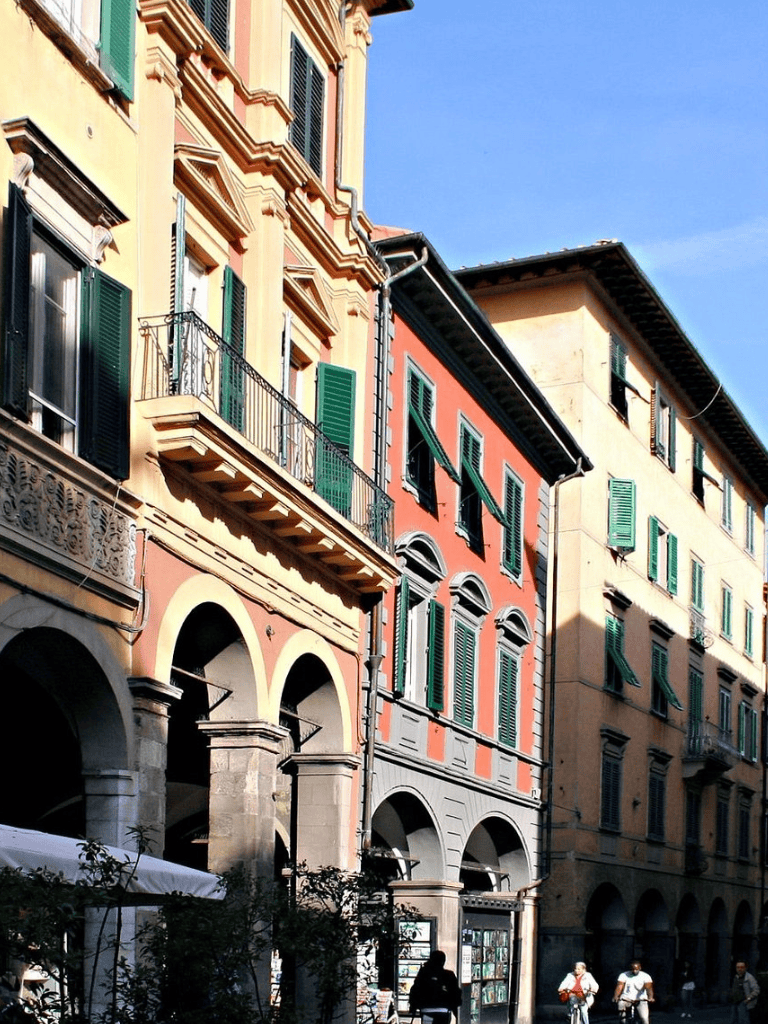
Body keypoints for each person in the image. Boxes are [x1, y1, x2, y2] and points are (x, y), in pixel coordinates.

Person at [408, 950, 461, 1024]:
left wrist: (413, 1007)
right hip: (443, 1010)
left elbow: (415, 990)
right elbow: (455, 994)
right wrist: (456, 1011)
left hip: (426, 1009)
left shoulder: (423, 973)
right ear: (443, 961)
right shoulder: (449, 975)